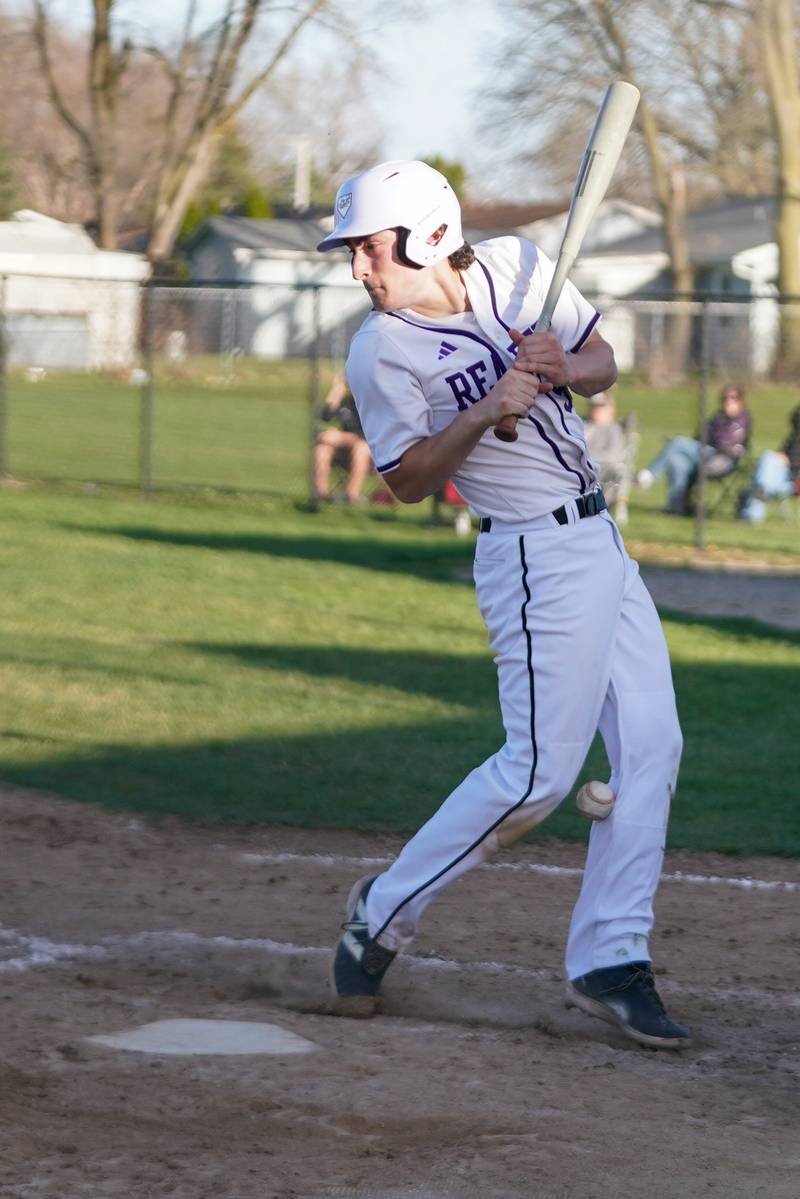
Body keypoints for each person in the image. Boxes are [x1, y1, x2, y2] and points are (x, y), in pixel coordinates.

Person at [317, 160, 689, 1049]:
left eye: (370, 248)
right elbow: (406, 481)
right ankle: (382, 913)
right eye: (354, 254)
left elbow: (603, 365)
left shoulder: (522, 267)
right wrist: (485, 411)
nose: (359, 269)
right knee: (537, 774)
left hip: (600, 540)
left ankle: (610, 955)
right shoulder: (381, 349)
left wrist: (563, 364)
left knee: (653, 741)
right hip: (531, 552)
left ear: (427, 235)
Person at [636, 384, 751, 514]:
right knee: (676, 461)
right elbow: (701, 436)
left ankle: (648, 475)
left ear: (741, 401)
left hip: (723, 459)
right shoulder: (718, 417)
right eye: (725, 398)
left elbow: (726, 442)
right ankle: (676, 507)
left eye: (733, 398)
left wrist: (713, 434)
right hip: (706, 453)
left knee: (677, 442)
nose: (728, 401)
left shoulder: (742, 419)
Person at [312, 371, 373, 504]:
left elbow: (369, 439)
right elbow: (326, 416)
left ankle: (351, 495)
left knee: (361, 448)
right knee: (322, 448)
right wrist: (337, 388)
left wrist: (340, 438)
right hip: (346, 453)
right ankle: (320, 494)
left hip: (373, 458)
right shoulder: (347, 402)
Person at [738, 404, 800, 522]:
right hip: (785, 477)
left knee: (765, 480)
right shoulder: (796, 436)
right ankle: (761, 490)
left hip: (796, 482)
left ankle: (753, 509)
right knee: (769, 458)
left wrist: (791, 462)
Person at [582, 391, 635, 525]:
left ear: (611, 411)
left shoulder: (614, 429)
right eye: (594, 407)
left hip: (600, 472)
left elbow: (612, 456)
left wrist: (584, 456)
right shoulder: (581, 424)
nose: (596, 410)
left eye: (601, 407)